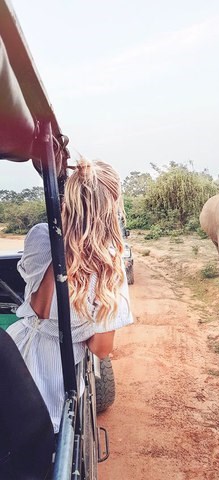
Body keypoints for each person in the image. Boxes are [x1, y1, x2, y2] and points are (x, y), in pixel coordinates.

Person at [7, 158, 133, 434]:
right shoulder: (110, 263)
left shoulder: (40, 236)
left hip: (15, 354)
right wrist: (80, 329)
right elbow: (100, 348)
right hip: (58, 374)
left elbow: (39, 308)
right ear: (112, 206)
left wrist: (63, 238)